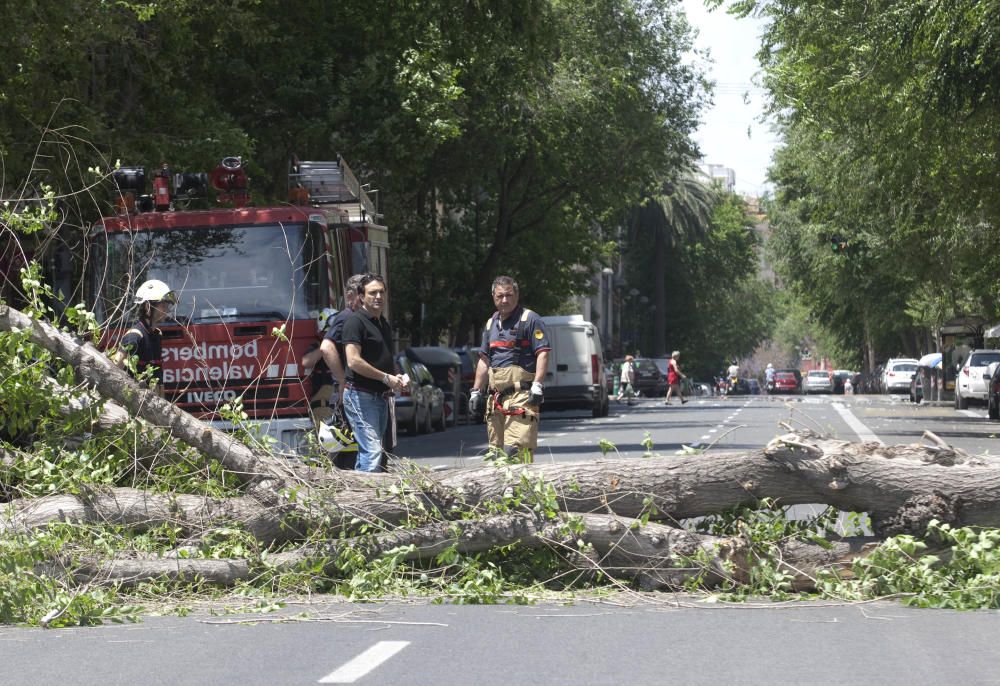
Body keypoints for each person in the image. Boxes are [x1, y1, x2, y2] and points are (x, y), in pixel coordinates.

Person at [469, 276, 550, 462]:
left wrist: (538, 384)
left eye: (509, 295)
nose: (504, 300)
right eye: (500, 296)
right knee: (496, 454)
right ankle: (503, 491)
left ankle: (517, 489)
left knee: (516, 451)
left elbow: (543, 353)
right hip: (496, 397)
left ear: (517, 295)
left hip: (521, 395)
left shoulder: (530, 320)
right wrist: (475, 391)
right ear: (493, 297)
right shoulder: (491, 323)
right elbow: (484, 360)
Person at [341, 273, 404, 472]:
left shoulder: (382, 323)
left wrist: (397, 376)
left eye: (381, 292)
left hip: (380, 397)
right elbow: (353, 361)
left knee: (371, 452)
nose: (378, 297)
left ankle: (357, 497)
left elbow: (384, 358)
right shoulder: (355, 322)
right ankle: (371, 500)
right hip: (360, 395)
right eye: (372, 293)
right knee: (373, 451)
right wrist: (385, 377)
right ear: (361, 296)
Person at [112, 279, 176, 395]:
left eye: (167, 305)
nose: (166, 310)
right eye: (163, 305)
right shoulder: (134, 336)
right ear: (148, 307)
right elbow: (114, 370)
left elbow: (157, 377)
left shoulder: (156, 334)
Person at [320, 273, 366, 403]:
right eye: (362, 294)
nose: (367, 298)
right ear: (350, 296)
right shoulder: (346, 317)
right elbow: (326, 348)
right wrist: (342, 379)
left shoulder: (361, 317)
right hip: (353, 391)